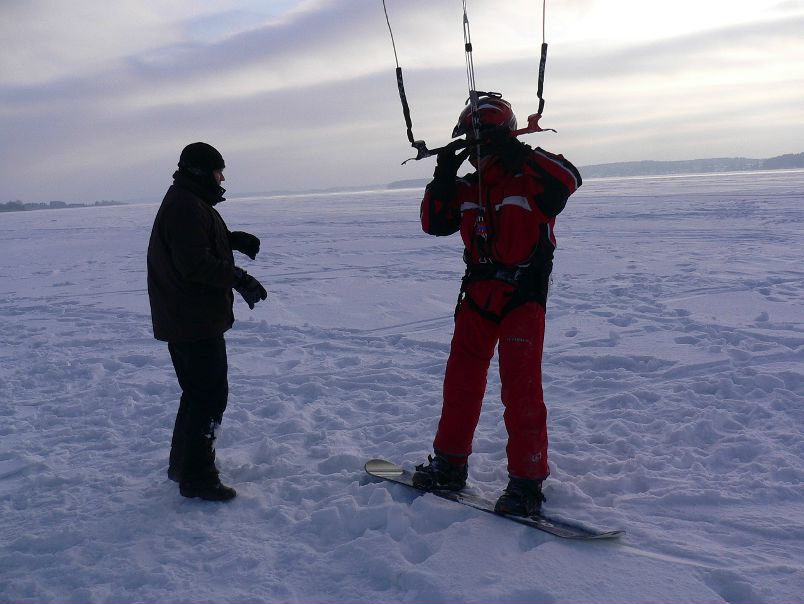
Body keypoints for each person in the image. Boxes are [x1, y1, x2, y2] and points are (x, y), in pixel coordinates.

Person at [413, 93, 582, 517]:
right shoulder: (468, 187)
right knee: (460, 383)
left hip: (523, 295)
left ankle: (526, 482)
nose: (475, 150)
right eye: (469, 141)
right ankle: (449, 464)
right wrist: (442, 177)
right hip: (477, 295)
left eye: (483, 140)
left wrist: (518, 152)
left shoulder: (531, 178)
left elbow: (569, 178)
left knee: (520, 388)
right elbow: (434, 222)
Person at [147, 142, 267, 501]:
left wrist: (229, 240)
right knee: (208, 397)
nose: (222, 178)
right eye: (218, 171)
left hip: (189, 318)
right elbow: (194, 264)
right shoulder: (185, 206)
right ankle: (198, 477)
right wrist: (239, 277)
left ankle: (184, 466)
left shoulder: (189, 201)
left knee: (198, 394)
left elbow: (193, 244)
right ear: (201, 172)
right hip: (192, 320)